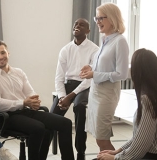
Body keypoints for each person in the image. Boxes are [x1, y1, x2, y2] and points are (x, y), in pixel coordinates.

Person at [0, 40, 75, 160]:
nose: (0, 57)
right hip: (7, 117)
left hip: (25, 111)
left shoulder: (18, 72)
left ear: (8, 53)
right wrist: (24, 102)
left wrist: (34, 101)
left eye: (2, 53)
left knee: (65, 124)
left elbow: (30, 93)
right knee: (39, 128)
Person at [97, 49, 157, 160]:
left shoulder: (148, 100)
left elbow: (143, 142)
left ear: (137, 72)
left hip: (154, 156)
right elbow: (140, 135)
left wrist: (116, 158)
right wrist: (119, 150)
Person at [79, 2, 129, 151]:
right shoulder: (104, 40)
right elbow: (103, 67)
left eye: (101, 18)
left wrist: (94, 73)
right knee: (98, 138)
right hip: (95, 92)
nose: (98, 22)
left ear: (112, 18)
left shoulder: (120, 41)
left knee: (102, 138)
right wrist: (91, 68)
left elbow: (122, 74)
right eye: (97, 18)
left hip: (107, 95)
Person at [51, 18, 99, 160]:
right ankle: (41, 153)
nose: (77, 26)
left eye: (81, 25)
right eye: (76, 24)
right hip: (68, 84)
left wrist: (70, 96)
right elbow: (59, 77)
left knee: (79, 107)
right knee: (52, 116)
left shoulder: (94, 50)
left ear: (88, 31)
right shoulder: (65, 49)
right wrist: (61, 97)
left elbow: (89, 79)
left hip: (85, 86)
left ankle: (80, 152)